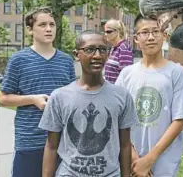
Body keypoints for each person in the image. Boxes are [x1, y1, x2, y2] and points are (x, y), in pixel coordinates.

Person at [39, 30, 138, 177]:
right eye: (90, 49)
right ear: (76, 54)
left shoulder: (122, 96)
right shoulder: (60, 97)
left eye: (102, 50)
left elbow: (124, 145)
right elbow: (52, 146)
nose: (97, 55)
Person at [115, 15, 183, 177]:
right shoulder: (126, 74)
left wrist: (149, 159)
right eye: (145, 32)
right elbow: (117, 117)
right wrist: (133, 157)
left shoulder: (176, 72)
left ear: (165, 36)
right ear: (136, 38)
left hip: (163, 163)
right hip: (131, 162)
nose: (151, 37)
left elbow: (179, 120)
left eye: (156, 32)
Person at [0, 6, 76, 177]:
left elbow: (73, 98)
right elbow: (3, 98)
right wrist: (32, 99)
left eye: (52, 24)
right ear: (29, 30)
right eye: (42, 25)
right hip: (29, 142)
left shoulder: (66, 61)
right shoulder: (18, 60)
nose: (49, 29)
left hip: (61, 144)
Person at [104, 19, 133, 83]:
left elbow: (126, 75)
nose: (105, 34)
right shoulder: (114, 48)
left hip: (117, 91)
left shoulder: (123, 48)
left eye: (108, 31)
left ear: (117, 31)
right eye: (105, 31)